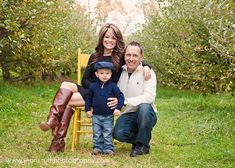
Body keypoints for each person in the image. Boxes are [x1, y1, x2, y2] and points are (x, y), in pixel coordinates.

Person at [39, 23, 151, 152]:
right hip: (91, 90)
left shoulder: (120, 57)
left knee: (68, 101)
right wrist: (94, 89)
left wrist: (147, 66)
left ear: (117, 40)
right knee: (65, 85)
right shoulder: (94, 56)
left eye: (113, 38)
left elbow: (135, 58)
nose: (110, 40)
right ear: (102, 37)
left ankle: (56, 137)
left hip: (107, 95)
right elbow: (84, 79)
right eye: (107, 36)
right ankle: (53, 121)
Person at [113, 41, 157, 157]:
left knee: (144, 107)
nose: (131, 59)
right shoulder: (119, 72)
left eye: (135, 55)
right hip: (128, 113)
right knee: (118, 134)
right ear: (124, 55)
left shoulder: (148, 72)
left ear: (141, 57)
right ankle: (142, 138)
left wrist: (125, 101)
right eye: (128, 55)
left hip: (146, 112)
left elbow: (149, 97)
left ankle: (143, 146)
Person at [85, 61, 124, 155]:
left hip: (108, 115)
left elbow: (121, 96)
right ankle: (97, 147)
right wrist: (87, 109)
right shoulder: (93, 86)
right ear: (96, 74)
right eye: (101, 73)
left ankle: (108, 148)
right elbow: (88, 98)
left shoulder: (113, 86)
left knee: (108, 132)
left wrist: (118, 108)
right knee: (97, 132)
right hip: (96, 115)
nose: (104, 75)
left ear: (111, 74)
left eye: (107, 73)